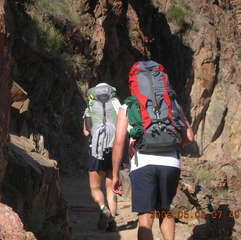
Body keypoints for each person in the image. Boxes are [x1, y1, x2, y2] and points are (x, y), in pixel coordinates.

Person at [112, 62, 194, 240]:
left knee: (145, 217)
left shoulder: (128, 107)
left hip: (143, 164)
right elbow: (189, 137)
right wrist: (169, 143)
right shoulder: (172, 104)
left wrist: (116, 174)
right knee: (165, 211)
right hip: (171, 163)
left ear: (133, 83)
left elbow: (119, 142)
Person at [83, 82, 121, 232]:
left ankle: (103, 208)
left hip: (96, 152)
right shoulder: (118, 105)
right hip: (114, 151)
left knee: (95, 187)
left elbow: (86, 132)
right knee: (111, 187)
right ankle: (112, 221)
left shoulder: (90, 107)